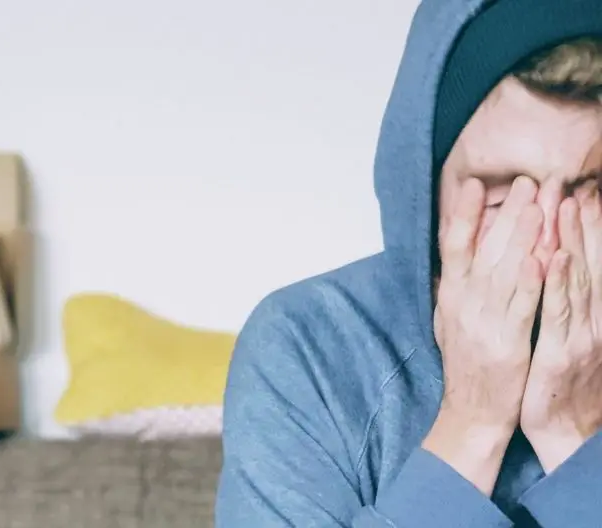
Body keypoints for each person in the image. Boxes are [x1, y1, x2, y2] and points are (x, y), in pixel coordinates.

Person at [215, 0, 602, 526]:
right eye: (502, 198)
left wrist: (572, 439)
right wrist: (473, 424)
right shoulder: (309, 344)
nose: (549, 240)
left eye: (592, 194)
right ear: (424, 191)